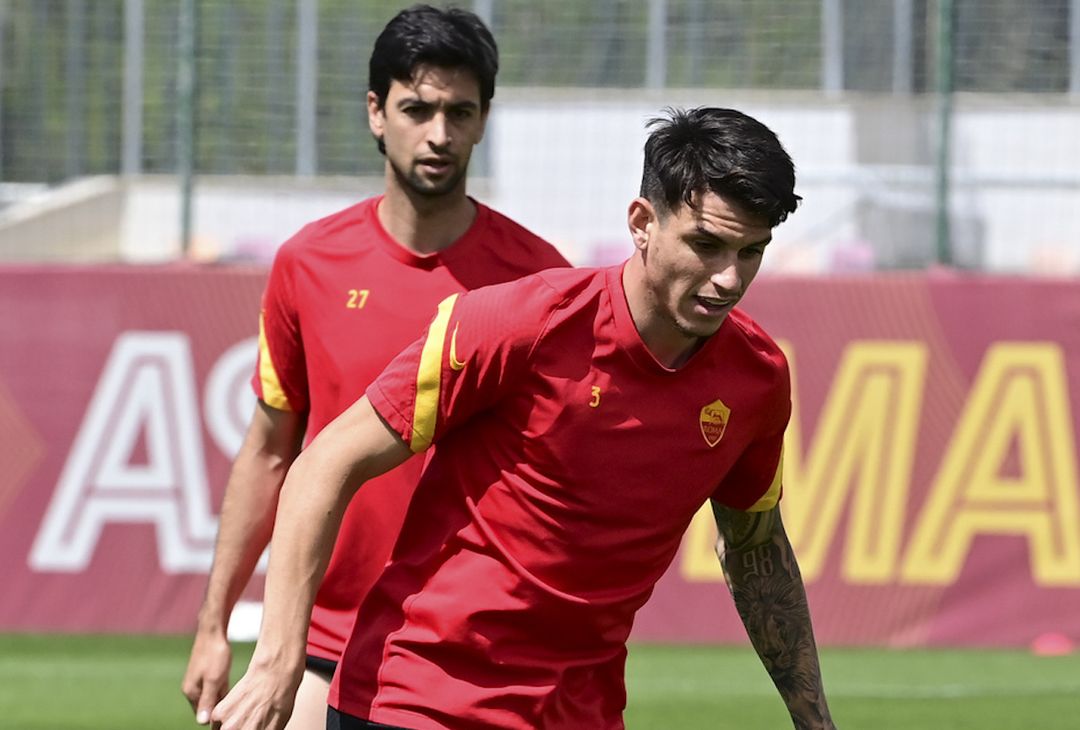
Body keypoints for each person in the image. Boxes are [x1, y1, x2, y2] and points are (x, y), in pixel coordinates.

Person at [213, 107, 836, 730]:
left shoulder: (757, 378)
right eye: (705, 245)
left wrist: (815, 722)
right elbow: (324, 463)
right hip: (418, 699)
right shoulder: (518, 324)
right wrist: (276, 660)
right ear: (643, 223)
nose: (728, 278)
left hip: (581, 713)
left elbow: (756, 547)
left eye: (751, 252)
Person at [180, 5, 569, 729]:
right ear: (375, 113)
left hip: (465, 647)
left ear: (483, 121)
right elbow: (269, 452)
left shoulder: (539, 280)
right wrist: (214, 624)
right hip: (324, 638)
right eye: (417, 109)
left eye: (459, 112)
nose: (439, 134)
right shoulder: (308, 263)